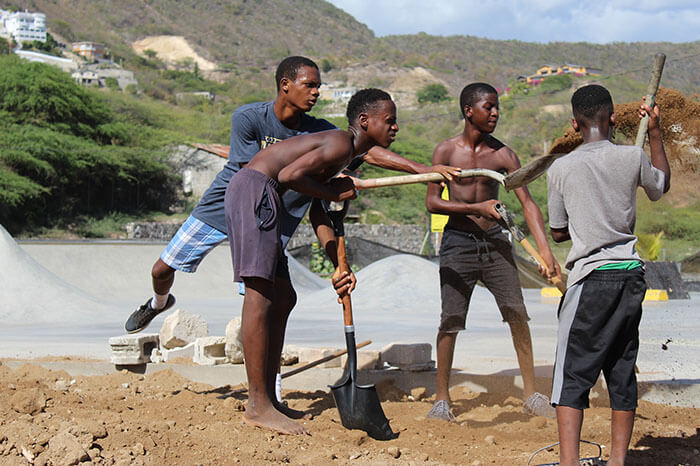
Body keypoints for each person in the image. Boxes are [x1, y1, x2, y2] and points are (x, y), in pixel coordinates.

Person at [125, 56, 457, 334]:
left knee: (263, 299)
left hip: (269, 221)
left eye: (319, 86)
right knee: (161, 270)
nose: (316, 92)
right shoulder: (249, 117)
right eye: (309, 85)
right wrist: (327, 188)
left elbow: (365, 152)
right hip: (227, 203)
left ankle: (268, 384)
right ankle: (158, 303)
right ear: (286, 85)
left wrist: (422, 170)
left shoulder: (322, 130)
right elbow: (250, 175)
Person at [225, 88, 427, 435]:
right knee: (260, 296)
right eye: (389, 121)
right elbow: (289, 177)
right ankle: (258, 406)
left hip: (260, 194)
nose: (396, 128)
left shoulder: (342, 156)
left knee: (285, 296)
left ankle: (269, 401)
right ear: (365, 121)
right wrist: (334, 191)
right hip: (256, 191)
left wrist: (338, 263)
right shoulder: (340, 143)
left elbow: (318, 211)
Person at [547, 85, 669, 466]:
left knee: (571, 376)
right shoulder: (632, 157)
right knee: (621, 370)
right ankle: (618, 461)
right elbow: (660, 186)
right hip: (630, 277)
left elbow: (557, 230)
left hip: (590, 280)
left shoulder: (561, 168)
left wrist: (585, 223)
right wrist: (655, 133)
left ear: (574, 123)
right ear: (614, 118)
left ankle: (569, 463)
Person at [424, 82, 561, 422]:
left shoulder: (503, 155)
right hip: (458, 242)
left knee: (517, 313)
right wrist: (478, 207)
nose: (496, 113)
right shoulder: (446, 152)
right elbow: (432, 202)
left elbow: (527, 203)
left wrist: (545, 251)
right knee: (451, 320)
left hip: (496, 242)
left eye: (497, 107)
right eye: (489, 107)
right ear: (469, 111)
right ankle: (442, 399)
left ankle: (531, 394)